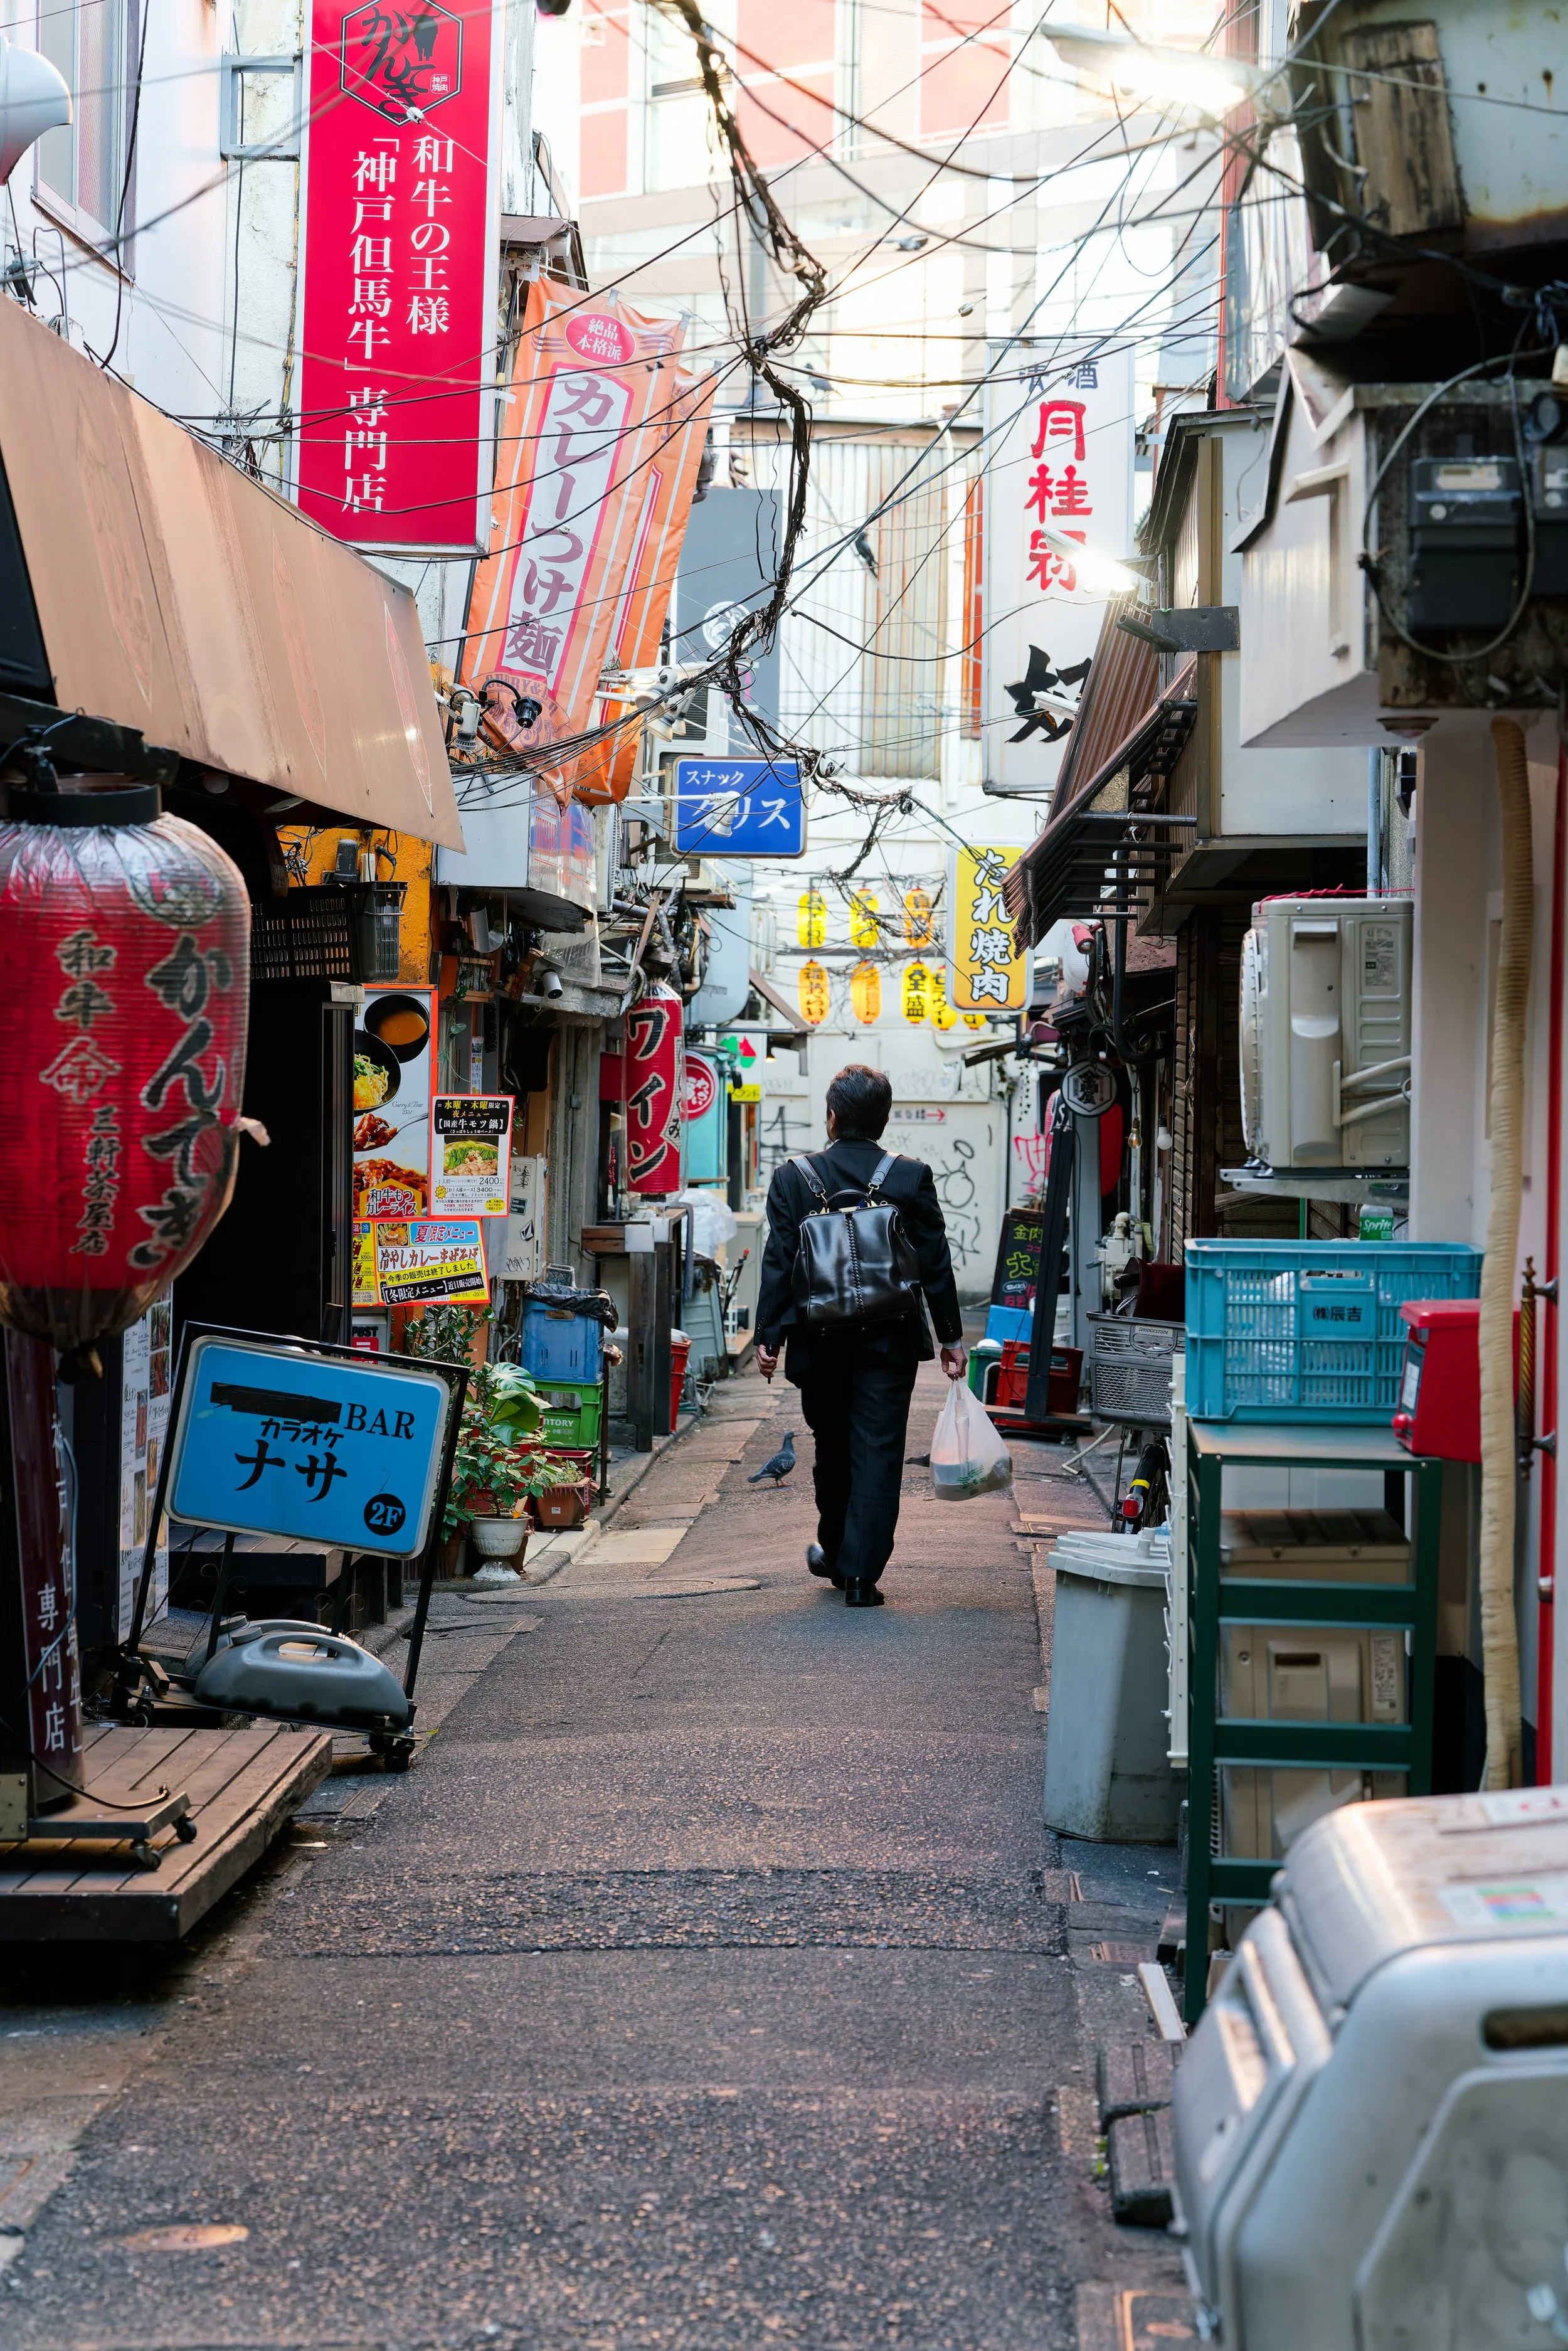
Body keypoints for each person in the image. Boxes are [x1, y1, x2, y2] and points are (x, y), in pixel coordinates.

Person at [754, 1064, 967, 1608]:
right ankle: (860, 1575)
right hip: (888, 1340)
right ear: (884, 1118)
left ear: (832, 1116)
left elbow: (779, 1261)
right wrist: (950, 1336)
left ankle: (836, 1552)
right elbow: (935, 1262)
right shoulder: (908, 1176)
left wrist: (769, 1335)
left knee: (832, 1447)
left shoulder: (793, 1178)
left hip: (817, 1340)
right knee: (879, 1451)